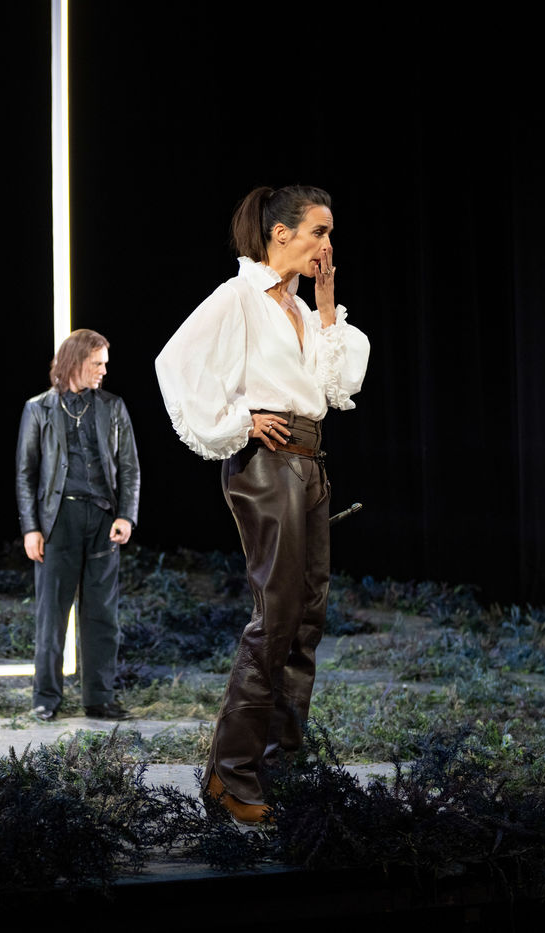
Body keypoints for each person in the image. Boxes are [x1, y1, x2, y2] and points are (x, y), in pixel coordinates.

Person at [155, 185, 370, 824]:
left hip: (310, 461)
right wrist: (240, 421)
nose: (327, 245)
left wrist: (326, 308)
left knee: (306, 618)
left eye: (330, 234)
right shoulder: (240, 296)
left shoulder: (300, 308)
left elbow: (335, 387)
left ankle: (279, 767)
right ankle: (231, 775)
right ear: (281, 234)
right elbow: (175, 362)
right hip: (268, 464)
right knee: (276, 615)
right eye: (318, 232)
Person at [16, 329, 141, 721]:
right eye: (97, 363)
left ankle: (99, 699)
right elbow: (25, 474)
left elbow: (129, 468)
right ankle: (45, 698)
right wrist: (31, 528)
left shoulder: (112, 406)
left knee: (102, 615)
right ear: (75, 362)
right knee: (51, 615)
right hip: (58, 522)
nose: (104, 370)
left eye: (105, 364)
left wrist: (126, 515)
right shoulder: (38, 409)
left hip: (103, 520)